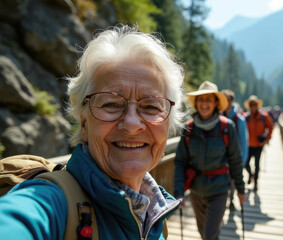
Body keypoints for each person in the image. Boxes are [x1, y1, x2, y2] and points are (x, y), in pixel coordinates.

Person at [0, 25, 185, 239]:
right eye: (111, 104)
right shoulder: (50, 201)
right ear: (84, 124)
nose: (132, 124)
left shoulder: (154, 217)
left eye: (151, 107)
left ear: (167, 125)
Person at [173, 81, 246, 240]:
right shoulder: (189, 128)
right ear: (197, 103)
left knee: (209, 235)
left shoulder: (227, 127)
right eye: (201, 99)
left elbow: (235, 161)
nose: (204, 103)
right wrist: (179, 192)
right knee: (203, 233)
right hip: (196, 191)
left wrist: (240, 189)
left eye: (208, 99)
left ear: (215, 103)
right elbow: (180, 161)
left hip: (219, 190)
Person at [221, 89, 249, 211]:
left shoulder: (240, 120)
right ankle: (225, 201)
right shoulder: (219, 118)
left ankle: (231, 200)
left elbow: (244, 141)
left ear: (231, 101)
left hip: (234, 158)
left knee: (232, 181)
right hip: (221, 157)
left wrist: (242, 160)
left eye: (226, 100)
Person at [244, 95, 274, 192]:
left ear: (257, 105)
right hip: (248, 146)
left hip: (258, 146)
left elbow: (271, 127)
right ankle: (250, 174)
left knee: (257, 165)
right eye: (251, 105)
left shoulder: (264, 116)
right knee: (245, 163)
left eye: (255, 104)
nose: (253, 106)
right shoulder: (246, 117)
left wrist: (266, 140)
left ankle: (256, 183)